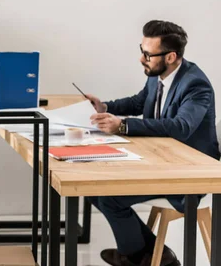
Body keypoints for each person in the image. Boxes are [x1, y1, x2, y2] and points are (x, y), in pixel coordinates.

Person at [86, 20, 219, 266]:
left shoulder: (196, 85)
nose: (141, 59)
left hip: (187, 171)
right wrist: (107, 107)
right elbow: (140, 101)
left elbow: (181, 126)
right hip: (158, 160)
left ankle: (137, 256)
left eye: (148, 54)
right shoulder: (157, 74)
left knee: (109, 197)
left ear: (170, 57)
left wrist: (123, 125)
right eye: (141, 50)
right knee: (91, 188)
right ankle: (152, 254)